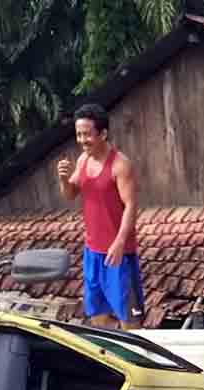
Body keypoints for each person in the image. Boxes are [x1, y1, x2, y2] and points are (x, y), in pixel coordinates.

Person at [56, 104, 144, 329]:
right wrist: (64, 179)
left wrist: (120, 242)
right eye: (78, 134)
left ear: (103, 134)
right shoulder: (83, 160)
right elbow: (70, 194)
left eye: (87, 134)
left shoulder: (120, 165)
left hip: (119, 253)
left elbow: (131, 205)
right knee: (97, 313)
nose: (82, 140)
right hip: (93, 252)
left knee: (129, 317)